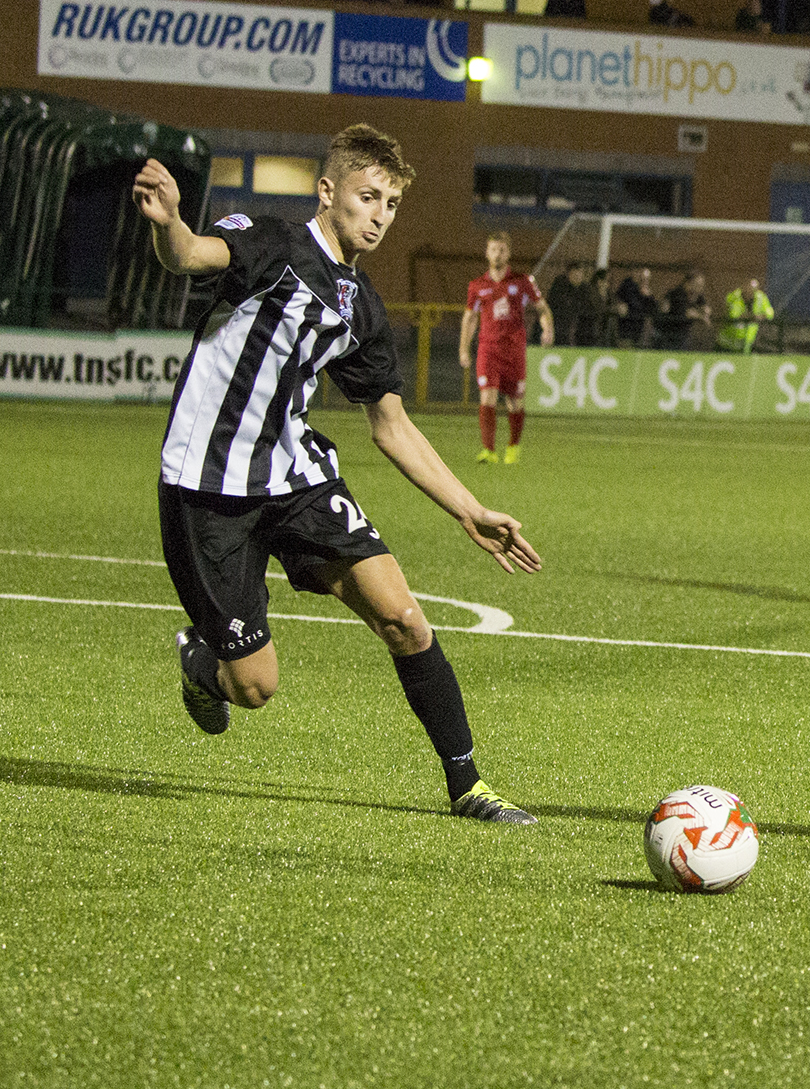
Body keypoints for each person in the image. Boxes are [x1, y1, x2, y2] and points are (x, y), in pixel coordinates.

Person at [131, 126, 541, 824]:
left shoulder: (361, 305)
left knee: (404, 618)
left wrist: (468, 509)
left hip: (295, 476)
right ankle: (204, 660)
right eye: (367, 196)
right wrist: (171, 222)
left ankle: (468, 785)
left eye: (390, 203)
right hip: (208, 486)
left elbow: (391, 425)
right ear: (328, 192)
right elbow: (193, 255)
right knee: (255, 686)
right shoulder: (269, 245)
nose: (379, 215)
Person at [459, 232, 554, 465]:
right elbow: (470, 318)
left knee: (514, 401)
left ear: (508, 253)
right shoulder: (477, 286)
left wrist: (547, 328)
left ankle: (513, 447)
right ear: (486, 252)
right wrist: (463, 348)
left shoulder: (522, 281)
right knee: (487, 397)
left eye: (501, 250)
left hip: (514, 350)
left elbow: (542, 308)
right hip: (488, 348)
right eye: (493, 249)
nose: (497, 254)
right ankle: (488, 451)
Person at [656, 271, 709, 351]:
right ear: (689, 283)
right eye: (698, 285)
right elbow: (687, 313)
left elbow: (705, 307)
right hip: (669, 335)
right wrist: (702, 317)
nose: (700, 288)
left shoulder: (695, 294)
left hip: (682, 335)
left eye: (701, 286)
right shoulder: (677, 294)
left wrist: (706, 312)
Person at [716, 278, 773, 352]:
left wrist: (761, 316)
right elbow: (734, 315)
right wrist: (752, 317)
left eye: (753, 291)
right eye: (749, 290)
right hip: (727, 345)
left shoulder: (760, 297)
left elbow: (770, 313)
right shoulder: (735, 297)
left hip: (746, 345)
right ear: (743, 288)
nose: (751, 293)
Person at [544, 261, 593, 346]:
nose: (577, 277)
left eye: (580, 274)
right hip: (558, 326)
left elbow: (588, 308)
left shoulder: (585, 289)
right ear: (569, 274)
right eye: (575, 274)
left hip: (578, 329)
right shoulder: (560, 286)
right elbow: (557, 306)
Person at [613, 267, 655, 347]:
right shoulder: (628, 288)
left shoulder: (643, 291)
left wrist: (649, 297)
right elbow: (635, 306)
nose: (645, 282)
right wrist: (644, 296)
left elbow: (652, 310)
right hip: (627, 330)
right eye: (643, 279)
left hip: (639, 331)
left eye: (647, 279)